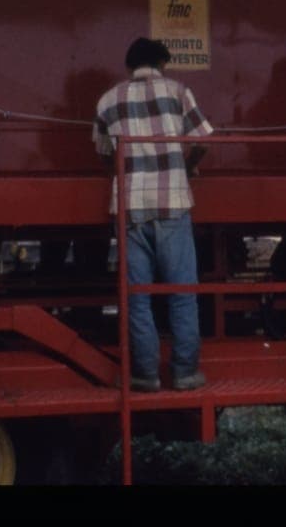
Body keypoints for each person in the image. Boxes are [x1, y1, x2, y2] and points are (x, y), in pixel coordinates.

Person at [93, 38, 213, 392]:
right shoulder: (177, 91)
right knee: (181, 292)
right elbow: (204, 139)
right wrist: (187, 165)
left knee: (137, 296)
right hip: (173, 204)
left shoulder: (109, 99)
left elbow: (102, 151)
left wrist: (121, 167)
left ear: (130, 65)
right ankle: (185, 373)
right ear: (162, 62)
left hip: (130, 209)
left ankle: (145, 375)